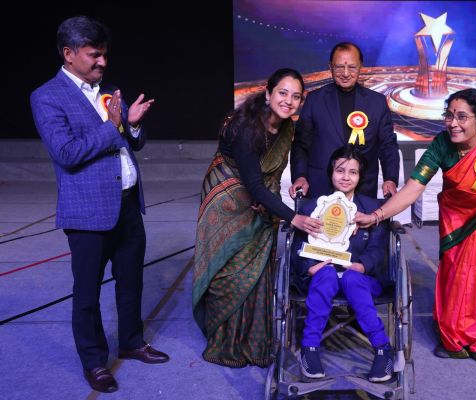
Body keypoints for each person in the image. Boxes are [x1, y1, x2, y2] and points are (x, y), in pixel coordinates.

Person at [355, 88, 476, 366]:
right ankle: (455, 338)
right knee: (458, 280)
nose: (453, 123)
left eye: (462, 117)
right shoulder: (441, 145)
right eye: (449, 116)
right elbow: (413, 188)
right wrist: (376, 215)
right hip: (458, 222)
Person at [30, 16, 168, 393]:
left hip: (128, 206)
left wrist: (132, 125)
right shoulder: (47, 97)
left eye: (105, 54)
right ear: (69, 53)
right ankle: (94, 361)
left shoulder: (109, 90)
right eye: (94, 55)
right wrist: (112, 126)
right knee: (87, 293)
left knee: (131, 282)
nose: (103, 62)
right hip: (88, 213)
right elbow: (67, 152)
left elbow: (130, 142)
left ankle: (132, 342)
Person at [192, 68, 323, 368]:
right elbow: (253, 184)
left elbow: (269, 175)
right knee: (230, 272)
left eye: (296, 96)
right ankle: (225, 341)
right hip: (227, 198)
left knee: (258, 268)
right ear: (268, 93)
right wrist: (292, 217)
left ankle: (253, 340)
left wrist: (276, 194)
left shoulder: (287, 126)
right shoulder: (246, 127)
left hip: (261, 198)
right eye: (282, 93)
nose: (288, 101)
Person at [291, 145, 394, 382]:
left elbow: (378, 247)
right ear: (331, 173)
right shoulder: (313, 207)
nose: (346, 177)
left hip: (360, 276)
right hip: (321, 274)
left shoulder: (372, 210)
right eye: (340, 170)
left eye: (353, 172)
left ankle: (382, 348)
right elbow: (298, 244)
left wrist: (362, 266)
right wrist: (309, 267)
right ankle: (310, 347)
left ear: (360, 176)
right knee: (326, 275)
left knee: (351, 278)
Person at [289, 41, 399, 200]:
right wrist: (300, 176)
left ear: (361, 67)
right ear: (330, 67)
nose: (346, 73)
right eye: (339, 67)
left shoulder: (377, 102)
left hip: (363, 189)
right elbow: (300, 144)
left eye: (352, 67)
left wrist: (391, 178)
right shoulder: (314, 100)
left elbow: (388, 145)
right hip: (321, 187)